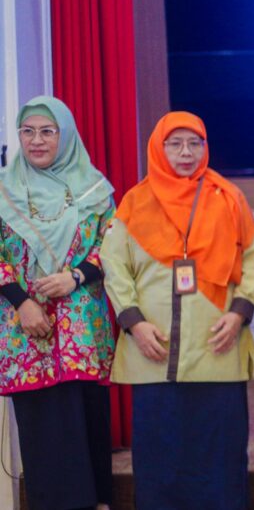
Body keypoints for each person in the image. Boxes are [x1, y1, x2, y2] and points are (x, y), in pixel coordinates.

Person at [102, 111, 254, 508]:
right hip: (153, 352)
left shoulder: (229, 198)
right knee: (160, 462)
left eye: (195, 143)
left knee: (220, 460)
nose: (186, 152)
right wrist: (134, 323)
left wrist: (238, 313)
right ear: (158, 149)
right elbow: (114, 266)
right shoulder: (135, 201)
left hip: (217, 349)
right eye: (174, 144)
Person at [0, 96, 115, 510]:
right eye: (27, 131)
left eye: (47, 131)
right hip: (26, 330)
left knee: (87, 421)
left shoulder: (95, 189)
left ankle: (99, 502)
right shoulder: (3, 190)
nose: (36, 140)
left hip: (82, 327)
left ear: (64, 136)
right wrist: (21, 302)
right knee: (43, 426)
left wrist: (76, 276)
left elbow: (113, 246)